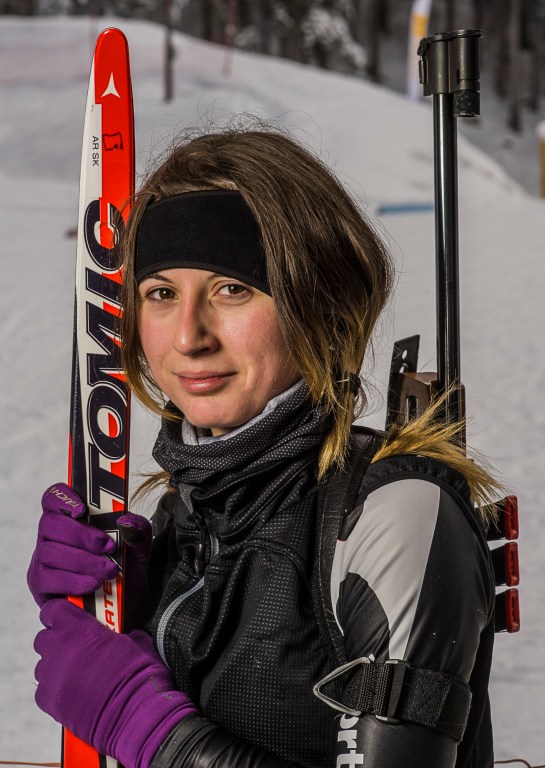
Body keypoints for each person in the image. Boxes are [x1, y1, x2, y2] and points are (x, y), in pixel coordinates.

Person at [28, 127, 498, 768]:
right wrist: (131, 609)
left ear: (316, 304)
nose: (189, 335)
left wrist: (149, 728)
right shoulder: (183, 518)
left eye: (232, 289)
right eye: (161, 293)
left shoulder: (395, 517)